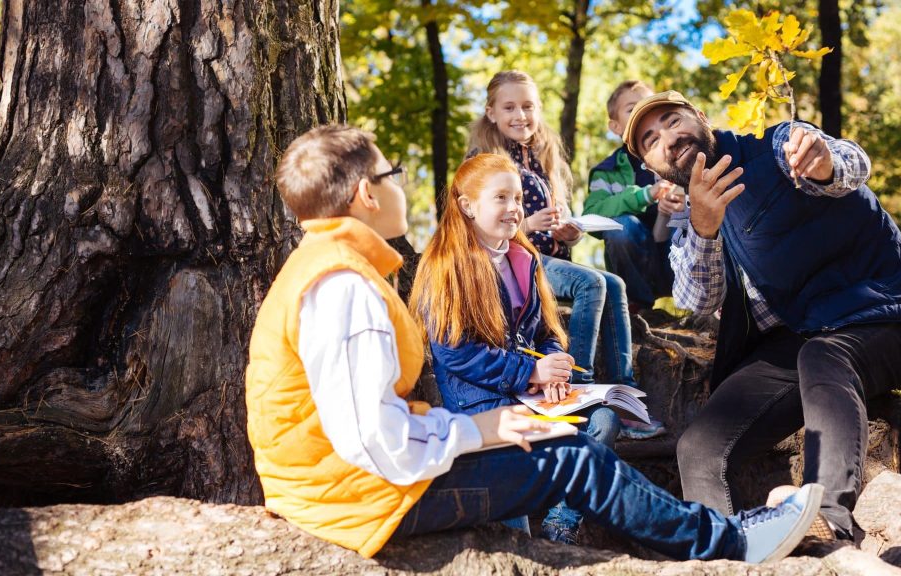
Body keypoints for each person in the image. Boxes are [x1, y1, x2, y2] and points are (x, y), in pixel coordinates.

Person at [244, 123, 825, 564]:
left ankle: (713, 533)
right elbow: (374, 441)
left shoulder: (331, 267)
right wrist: (481, 429)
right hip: (353, 498)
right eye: (391, 173)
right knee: (573, 460)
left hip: (350, 484)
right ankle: (730, 545)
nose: (401, 183)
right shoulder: (344, 286)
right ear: (367, 195)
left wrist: (535, 379)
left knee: (576, 437)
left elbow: (373, 427)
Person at [622, 91, 901, 543]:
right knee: (698, 448)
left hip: (878, 311)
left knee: (823, 357)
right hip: (794, 341)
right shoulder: (687, 220)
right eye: (652, 141)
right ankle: (729, 552)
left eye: (673, 121)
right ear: (652, 167)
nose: (669, 140)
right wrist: (705, 226)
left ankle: (828, 513)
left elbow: (851, 164)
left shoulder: (777, 146)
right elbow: (697, 299)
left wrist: (823, 160)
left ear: (701, 117)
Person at [410, 152, 624, 545]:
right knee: (516, 534)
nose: (514, 209)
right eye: (501, 198)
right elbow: (454, 352)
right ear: (467, 206)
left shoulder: (523, 257)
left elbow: (545, 330)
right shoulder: (446, 265)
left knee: (605, 420)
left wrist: (552, 364)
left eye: (519, 200)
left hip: (532, 398)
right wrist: (529, 372)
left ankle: (561, 523)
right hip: (482, 409)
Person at [467, 70, 664, 442]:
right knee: (589, 282)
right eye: (509, 107)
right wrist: (526, 225)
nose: (520, 115)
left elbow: (555, 226)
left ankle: (625, 395)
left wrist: (567, 231)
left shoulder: (542, 159)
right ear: (491, 112)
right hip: (508, 260)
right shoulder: (485, 162)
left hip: (546, 258)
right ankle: (579, 387)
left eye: (528, 106)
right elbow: (475, 227)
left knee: (614, 283)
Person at [584, 80, 685, 310]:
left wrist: (681, 205)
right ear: (616, 127)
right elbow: (591, 213)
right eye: (632, 109)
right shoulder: (607, 171)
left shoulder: (678, 155)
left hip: (676, 257)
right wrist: (644, 196)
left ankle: (713, 304)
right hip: (636, 265)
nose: (641, 112)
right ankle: (634, 305)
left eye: (647, 106)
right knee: (621, 226)